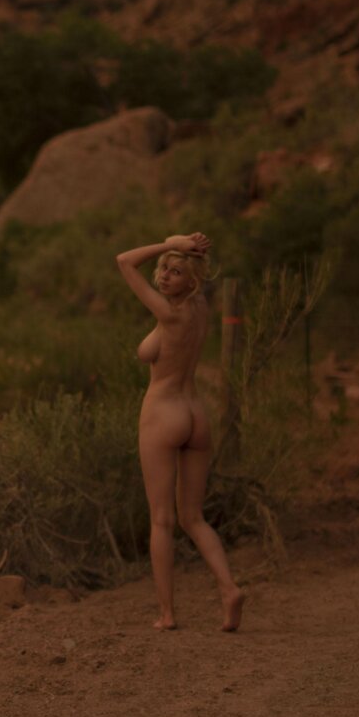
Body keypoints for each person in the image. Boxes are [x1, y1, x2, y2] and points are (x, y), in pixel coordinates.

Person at [115, 232, 245, 632]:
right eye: (164, 270)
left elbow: (123, 261)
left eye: (176, 271)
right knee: (193, 517)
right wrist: (186, 247)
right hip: (195, 414)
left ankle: (167, 614)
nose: (165, 277)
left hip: (164, 413)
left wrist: (167, 242)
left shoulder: (168, 314)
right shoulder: (198, 307)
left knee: (162, 519)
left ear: (193, 279)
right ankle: (229, 589)